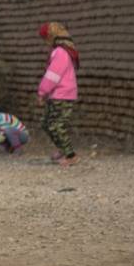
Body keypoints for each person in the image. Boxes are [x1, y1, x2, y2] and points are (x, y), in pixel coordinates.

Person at [37, 22, 80, 166]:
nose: (45, 43)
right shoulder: (61, 50)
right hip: (56, 94)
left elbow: (52, 76)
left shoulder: (60, 52)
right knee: (46, 123)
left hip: (63, 95)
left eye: (45, 39)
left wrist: (42, 92)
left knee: (57, 125)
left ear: (51, 36)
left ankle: (71, 155)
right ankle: (63, 149)